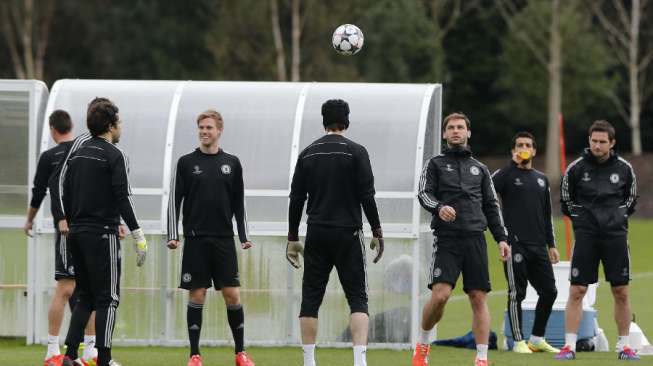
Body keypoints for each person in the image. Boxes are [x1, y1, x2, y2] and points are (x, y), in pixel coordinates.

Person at [286, 99, 384, 366]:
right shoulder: (357, 152)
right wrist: (377, 230)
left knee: (311, 299)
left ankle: (309, 361)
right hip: (348, 234)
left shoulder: (307, 153)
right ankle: (359, 361)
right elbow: (367, 195)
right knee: (357, 298)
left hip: (316, 233)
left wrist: (292, 238)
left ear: (323, 121)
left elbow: (296, 199)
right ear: (346, 121)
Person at [52, 98, 148, 366]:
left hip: (77, 233)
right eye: (119, 122)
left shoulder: (79, 153)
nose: (121, 127)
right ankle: (103, 359)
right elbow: (123, 198)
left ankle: (69, 355)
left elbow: (63, 188)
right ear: (110, 125)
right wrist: (138, 235)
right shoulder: (115, 155)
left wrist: (69, 220)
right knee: (108, 298)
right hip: (102, 234)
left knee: (85, 295)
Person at [413, 112, 510, 366]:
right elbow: (423, 193)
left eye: (460, 127)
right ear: (445, 134)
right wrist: (439, 207)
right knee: (441, 296)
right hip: (447, 239)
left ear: (468, 133)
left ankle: (481, 358)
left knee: (478, 298)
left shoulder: (480, 169)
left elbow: (491, 206)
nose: (456, 131)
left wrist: (501, 238)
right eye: (451, 128)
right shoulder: (434, 164)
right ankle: (422, 345)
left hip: (475, 239)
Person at [167, 109, 255, 366]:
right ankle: (195, 355)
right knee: (197, 295)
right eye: (201, 128)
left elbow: (240, 202)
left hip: (224, 240)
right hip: (195, 240)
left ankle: (240, 353)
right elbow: (174, 201)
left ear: (219, 131)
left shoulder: (232, 163)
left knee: (232, 295)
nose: (204, 132)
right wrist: (173, 235)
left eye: (209, 128)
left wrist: (244, 235)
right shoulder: (185, 162)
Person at [557, 120, 639, 361]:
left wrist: (617, 216)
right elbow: (565, 199)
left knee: (621, 291)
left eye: (603, 142)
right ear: (589, 141)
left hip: (615, 236)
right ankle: (569, 347)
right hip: (586, 236)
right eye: (594, 141)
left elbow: (631, 199)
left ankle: (624, 346)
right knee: (577, 290)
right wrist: (582, 220)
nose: (597, 145)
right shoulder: (576, 169)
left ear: (612, 143)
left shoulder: (624, 169)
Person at [25, 110, 99, 366]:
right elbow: (46, 191)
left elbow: (38, 193)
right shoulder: (57, 156)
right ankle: (52, 351)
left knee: (86, 290)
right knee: (67, 287)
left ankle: (91, 350)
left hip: (86, 229)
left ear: (52, 128)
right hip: (71, 229)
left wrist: (30, 220)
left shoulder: (81, 152)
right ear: (72, 126)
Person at [491, 131, 560, 354]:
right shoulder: (505, 175)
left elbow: (547, 213)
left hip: (538, 245)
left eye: (527, 145)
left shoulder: (541, 179)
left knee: (550, 291)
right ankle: (518, 341)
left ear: (534, 150)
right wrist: (513, 164)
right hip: (514, 245)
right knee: (516, 293)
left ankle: (537, 338)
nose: (524, 148)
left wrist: (552, 244)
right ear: (513, 150)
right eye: (519, 145)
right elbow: (488, 192)